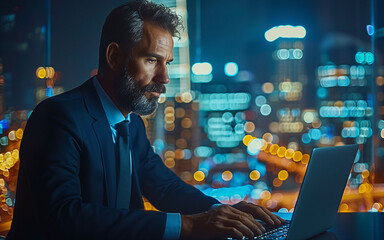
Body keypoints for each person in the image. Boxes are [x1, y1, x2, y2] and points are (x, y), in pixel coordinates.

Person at [7, 1, 284, 239]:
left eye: (168, 63)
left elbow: (163, 186)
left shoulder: (132, 123)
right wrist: (187, 225)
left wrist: (219, 211)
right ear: (114, 57)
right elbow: (65, 217)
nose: (164, 78)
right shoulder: (58, 117)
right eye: (152, 60)